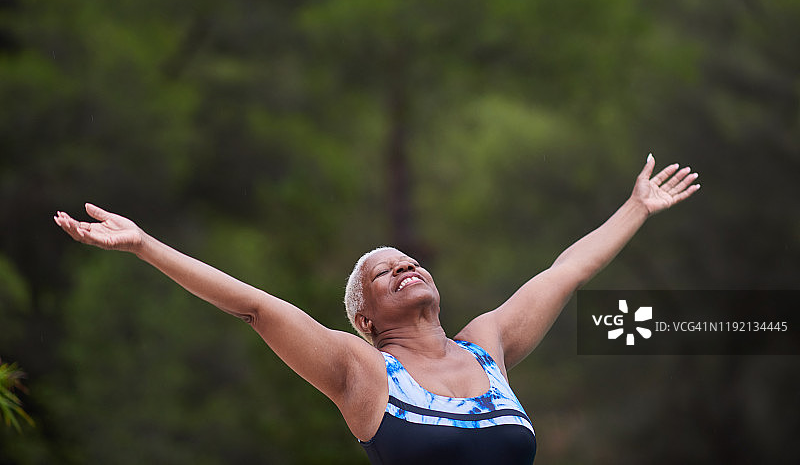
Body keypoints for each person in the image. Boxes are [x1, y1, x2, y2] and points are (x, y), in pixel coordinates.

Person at [54, 154, 699, 464]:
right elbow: (253, 306)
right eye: (382, 273)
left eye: (409, 262)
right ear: (365, 320)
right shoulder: (360, 371)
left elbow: (567, 271)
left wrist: (636, 207)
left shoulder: (488, 345)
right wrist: (144, 246)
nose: (404, 268)